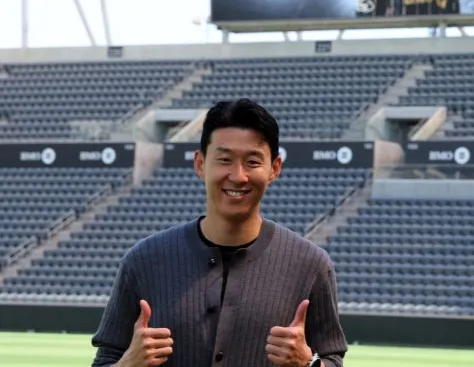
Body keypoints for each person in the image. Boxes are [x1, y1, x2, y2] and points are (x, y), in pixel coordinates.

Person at [90, 99, 347, 367]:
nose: (238, 176)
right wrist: (127, 364)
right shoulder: (143, 261)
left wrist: (309, 364)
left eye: (252, 161)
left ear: (274, 168)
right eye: (224, 160)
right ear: (200, 164)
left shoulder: (311, 266)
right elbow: (106, 360)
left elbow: (332, 360)